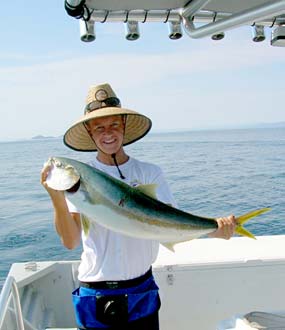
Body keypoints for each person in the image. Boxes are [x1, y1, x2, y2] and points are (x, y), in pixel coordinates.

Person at [41, 83, 236, 330]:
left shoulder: (149, 173)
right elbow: (70, 242)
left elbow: (169, 225)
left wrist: (215, 229)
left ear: (123, 127)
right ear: (90, 134)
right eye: (99, 127)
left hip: (141, 289)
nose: (107, 133)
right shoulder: (81, 181)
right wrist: (56, 197)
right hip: (96, 292)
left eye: (114, 125)